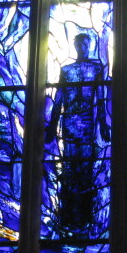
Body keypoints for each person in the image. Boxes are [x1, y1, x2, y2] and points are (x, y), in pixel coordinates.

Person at [45, 32, 107, 235]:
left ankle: (85, 218)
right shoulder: (67, 70)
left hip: (88, 125)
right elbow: (59, 99)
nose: (82, 47)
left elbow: (100, 99)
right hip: (69, 125)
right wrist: (51, 127)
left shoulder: (96, 69)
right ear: (74, 45)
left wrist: (104, 124)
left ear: (90, 46)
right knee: (70, 170)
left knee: (86, 170)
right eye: (79, 44)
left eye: (86, 44)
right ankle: (69, 218)